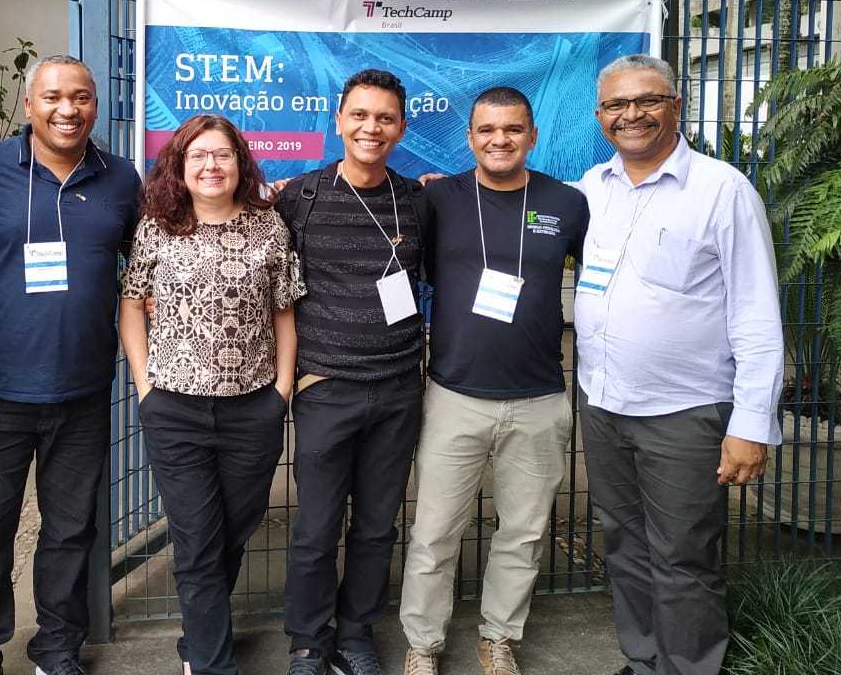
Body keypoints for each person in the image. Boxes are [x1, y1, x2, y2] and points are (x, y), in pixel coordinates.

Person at [574, 54, 783, 675]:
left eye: (647, 100)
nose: (631, 114)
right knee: (626, 546)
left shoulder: (723, 190)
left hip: (685, 412)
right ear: (599, 115)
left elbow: (756, 313)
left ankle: (689, 667)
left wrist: (751, 423)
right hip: (604, 404)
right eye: (616, 104)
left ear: (676, 105)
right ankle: (644, 662)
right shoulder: (592, 189)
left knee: (684, 556)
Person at [0, 54, 140, 675]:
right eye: (53, 97)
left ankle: (57, 648)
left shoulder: (121, 179)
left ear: (94, 107)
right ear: (29, 106)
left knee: (71, 529)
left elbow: (157, 260)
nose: (67, 109)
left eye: (80, 98)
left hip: (83, 388)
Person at [399, 87, 589, 675]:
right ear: (470, 136)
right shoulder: (440, 199)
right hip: (454, 395)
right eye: (486, 130)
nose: (498, 140)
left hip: (538, 398)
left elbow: (606, 279)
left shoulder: (569, 203)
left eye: (512, 129)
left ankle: (498, 636)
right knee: (433, 532)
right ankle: (423, 643)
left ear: (533, 136)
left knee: (524, 532)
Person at [119, 114, 305, 675]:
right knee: (198, 541)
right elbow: (131, 304)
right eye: (197, 155)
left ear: (240, 162)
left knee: (232, 531)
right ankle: (211, 663)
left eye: (222, 154)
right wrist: (144, 384)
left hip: (254, 406)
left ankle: (199, 637)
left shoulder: (269, 227)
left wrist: (282, 388)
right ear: (179, 164)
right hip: (175, 407)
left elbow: (284, 312)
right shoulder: (157, 226)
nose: (211, 165)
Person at [276, 69, 427, 675]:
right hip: (324, 387)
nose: (371, 128)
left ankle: (356, 633)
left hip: (397, 388)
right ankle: (309, 640)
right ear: (337, 121)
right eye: (359, 116)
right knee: (314, 528)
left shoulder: (418, 201)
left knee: (375, 525)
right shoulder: (299, 197)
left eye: (385, 118)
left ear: (401, 127)